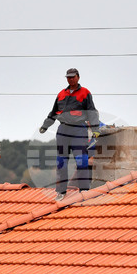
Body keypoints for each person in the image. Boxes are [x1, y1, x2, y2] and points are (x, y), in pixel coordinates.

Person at [39, 68, 99, 201]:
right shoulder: (61, 94)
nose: (70, 79)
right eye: (68, 77)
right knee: (61, 161)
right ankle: (60, 192)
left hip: (78, 130)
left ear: (78, 77)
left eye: (72, 77)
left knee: (81, 160)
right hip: (63, 131)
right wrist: (45, 125)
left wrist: (95, 130)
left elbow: (92, 112)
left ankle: (84, 190)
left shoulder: (85, 93)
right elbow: (54, 112)